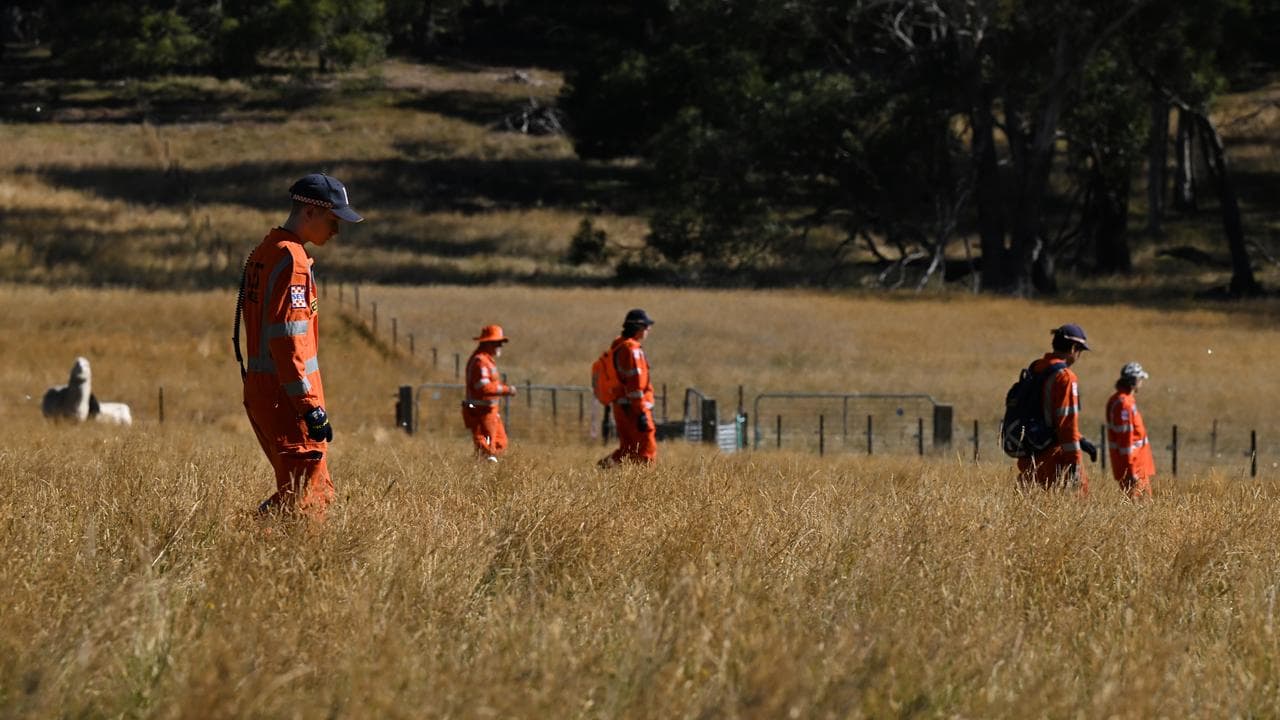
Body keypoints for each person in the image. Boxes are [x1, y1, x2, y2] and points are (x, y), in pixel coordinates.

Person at [235, 173, 362, 521]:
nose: (336, 231)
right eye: (333, 220)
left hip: (266, 390)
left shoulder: (265, 250)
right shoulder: (292, 261)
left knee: (302, 490)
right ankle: (247, 547)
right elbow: (288, 338)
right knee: (306, 500)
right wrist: (310, 407)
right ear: (309, 212)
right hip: (287, 395)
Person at [1016, 323, 1098, 494]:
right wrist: (1074, 464)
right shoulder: (1065, 377)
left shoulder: (1037, 367)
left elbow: (1043, 412)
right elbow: (1066, 424)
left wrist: (1081, 440)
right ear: (1074, 348)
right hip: (1055, 457)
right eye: (1080, 351)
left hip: (1028, 454)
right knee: (1075, 509)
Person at [599, 309, 657, 467]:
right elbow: (635, 385)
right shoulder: (632, 350)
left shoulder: (619, 346)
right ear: (638, 327)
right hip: (634, 408)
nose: (648, 330)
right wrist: (641, 413)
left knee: (629, 449)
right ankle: (644, 485)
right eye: (646, 326)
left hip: (621, 405)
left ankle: (604, 469)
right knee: (646, 450)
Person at [462, 325, 517, 461]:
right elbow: (484, 388)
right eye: (497, 343)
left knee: (500, 444)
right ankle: (482, 476)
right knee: (487, 450)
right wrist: (507, 390)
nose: (500, 346)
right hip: (481, 412)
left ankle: (484, 471)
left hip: (488, 411)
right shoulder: (480, 362)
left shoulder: (486, 360)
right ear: (487, 343)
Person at [1106, 362, 1156, 500]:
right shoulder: (1124, 404)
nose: (1141, 383)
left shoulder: (1122, 400)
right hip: (1134, 468)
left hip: (1137, 466)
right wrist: (1131, 471)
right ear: (1133, 381)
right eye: (1140, 379)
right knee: (1139, 508)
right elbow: (1125, 440)